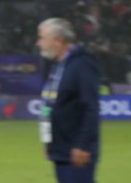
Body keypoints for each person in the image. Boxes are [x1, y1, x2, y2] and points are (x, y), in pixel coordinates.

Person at [37, 18, 101, 183]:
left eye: (42, 38)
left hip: (77, 151)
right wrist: (51, 143)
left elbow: (91, 108)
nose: (39, 43)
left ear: (58, 40)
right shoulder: (57, 65)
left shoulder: (82, 64)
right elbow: (53, 104)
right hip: (61, 148)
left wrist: (83, 145)